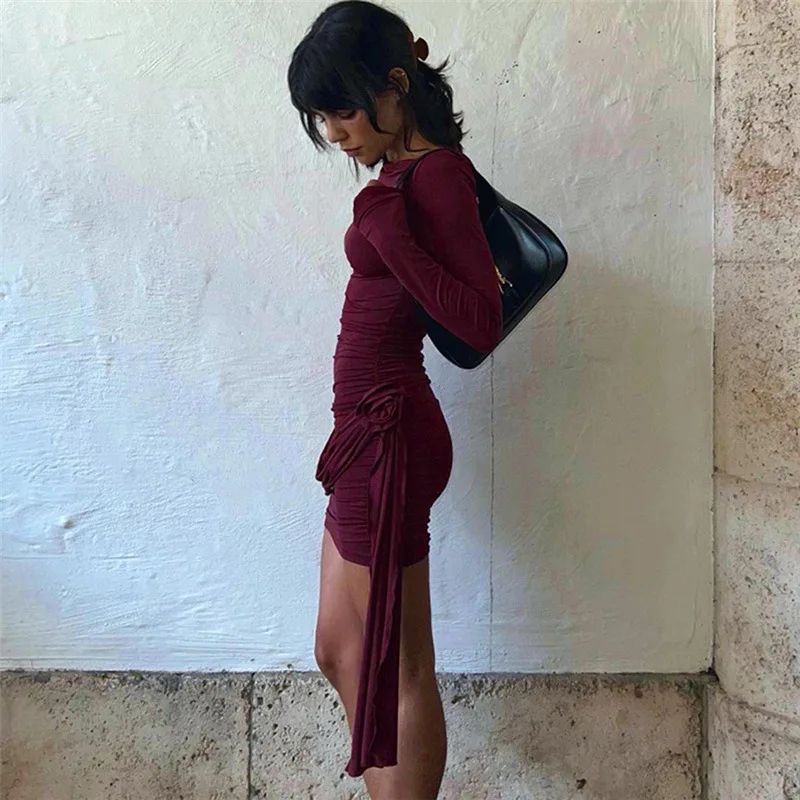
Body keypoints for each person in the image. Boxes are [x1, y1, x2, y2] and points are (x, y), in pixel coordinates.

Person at [287, 2, 503, 796]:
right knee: (338, 647)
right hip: (364, 439)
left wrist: (391, 239)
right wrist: (388, 228)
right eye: (322, 118)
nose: (336, 132)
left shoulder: (438, 174)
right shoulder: (397, 177)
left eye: (344, 110)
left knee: (396, 665)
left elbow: (478, 322)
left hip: (392, 437)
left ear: (395, 84)